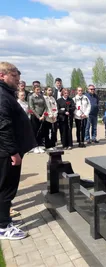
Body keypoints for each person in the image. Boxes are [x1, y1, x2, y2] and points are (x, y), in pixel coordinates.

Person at [0, 62, 36, 239]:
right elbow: (3, 127)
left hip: (8, 151)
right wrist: (13, 152)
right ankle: (3, 227)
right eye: (14, 76)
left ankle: (3, 220)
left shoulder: (6, 94)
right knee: (6, 188)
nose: (18, 80)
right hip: (7, 153)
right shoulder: (2, 96)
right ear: (2, 76)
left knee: (6, 188)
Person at [28, 85, 48, 154]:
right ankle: (35, 146)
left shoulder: (42, 96)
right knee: (35, 131)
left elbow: (46, 107)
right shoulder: (31, 97)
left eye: (39, 89)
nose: (38, 91)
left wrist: (43, 115)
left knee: (41, 131)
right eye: (37, 89)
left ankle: (40, 145)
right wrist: (38, 116)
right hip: (35, 116)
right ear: (34, 90)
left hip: (42, 116)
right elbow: (31, 108)